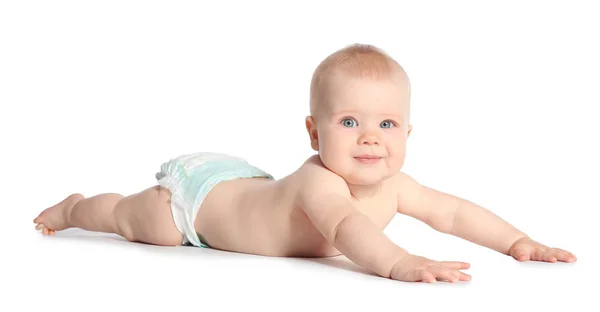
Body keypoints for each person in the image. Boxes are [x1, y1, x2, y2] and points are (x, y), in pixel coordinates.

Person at [33, 43, 576, 284]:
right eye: (348, 123)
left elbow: (453, 213)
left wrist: (517, 242)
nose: (369, 139)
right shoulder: (321, 183)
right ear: (314, 132)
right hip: (198, 206)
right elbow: (346, 228)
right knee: (138, 222)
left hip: (251, 189)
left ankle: (85, 209)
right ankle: (78, 208)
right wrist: (399, 262)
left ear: (408, 132)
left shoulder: (395, 185)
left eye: (386, 125)